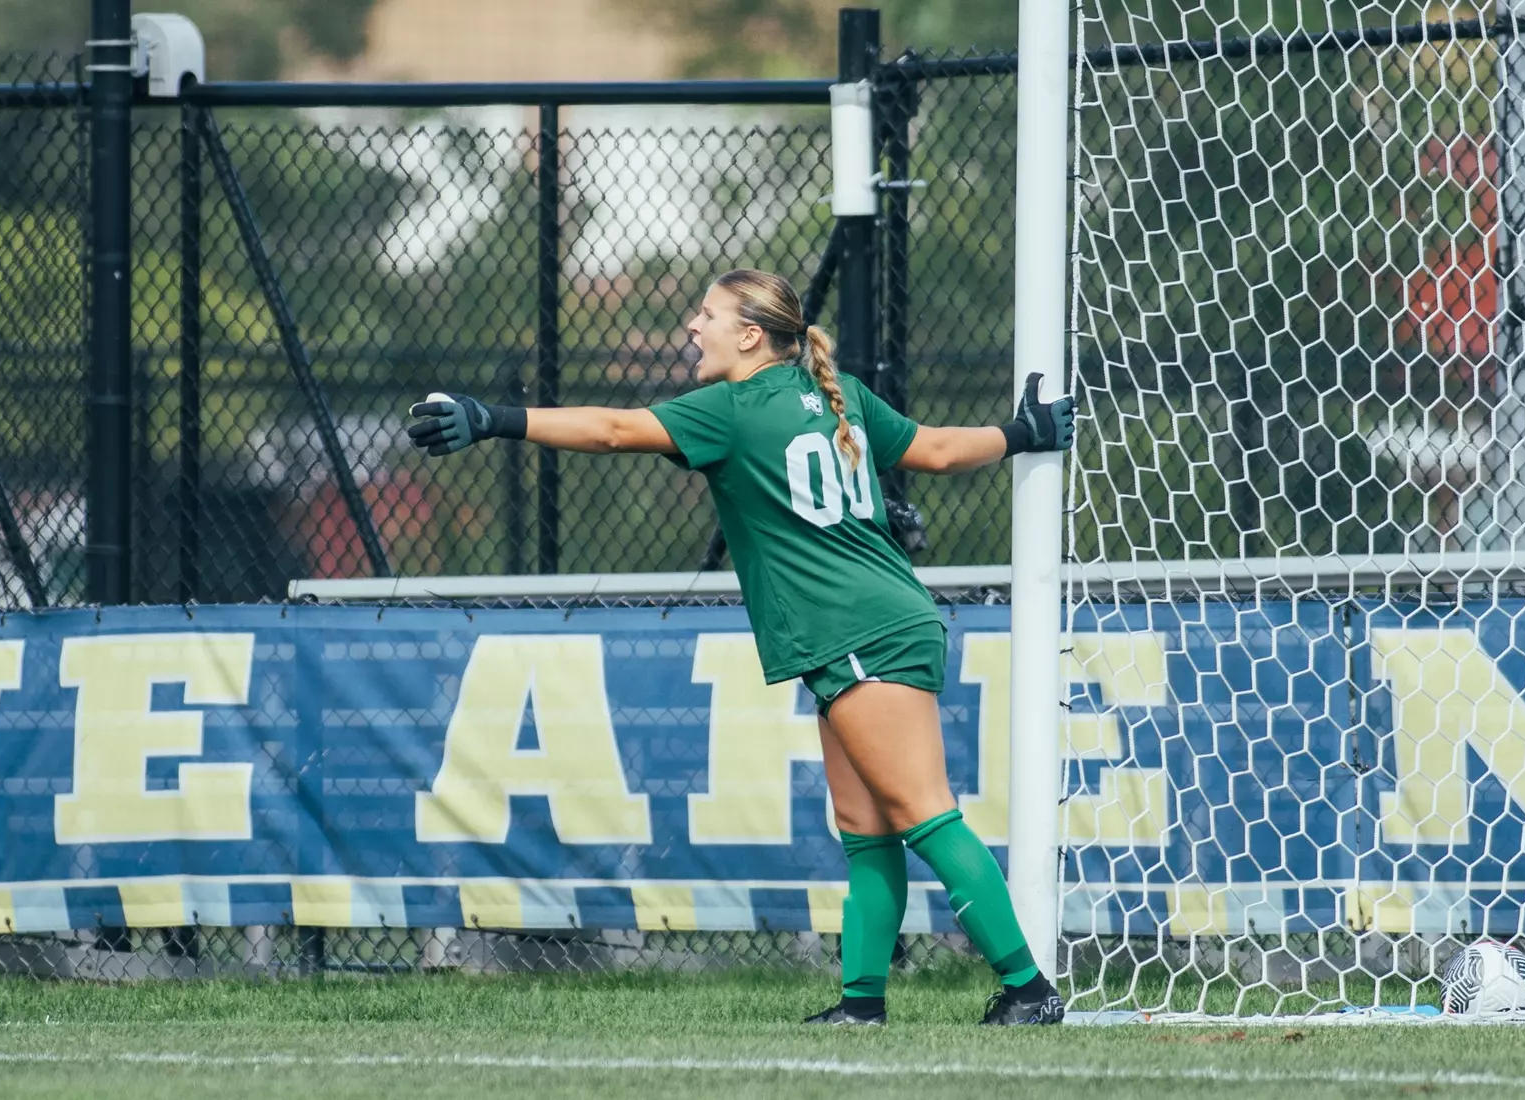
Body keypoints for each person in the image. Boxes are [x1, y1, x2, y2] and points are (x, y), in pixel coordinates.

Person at [405, 268, 1075, 1026]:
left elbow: (613, 430)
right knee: (866, 830)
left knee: (925, 814)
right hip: (865, 627)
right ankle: (862, 1005)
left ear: (751, 335)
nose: (694, 327)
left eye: (708, 315)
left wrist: (492, 418)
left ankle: (1029, 990)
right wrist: (1023, 434)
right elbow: (942, 450)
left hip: (860, 629)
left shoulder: (733, 408)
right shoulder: (837, 393)